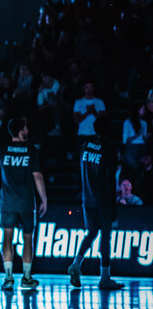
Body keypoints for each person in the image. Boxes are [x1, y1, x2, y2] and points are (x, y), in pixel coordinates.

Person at [0, 117, 47, 292]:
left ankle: (8, 278)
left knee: (7, 239)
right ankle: (26, 277)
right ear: (20, 130)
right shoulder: (31, 150)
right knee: (28, 239)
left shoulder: (1, 149)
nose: (27, 130)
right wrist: (44, 198)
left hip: (7, 202)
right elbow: (38, 176)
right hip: (27, 203)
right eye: (25, 128)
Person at [68, 115, 123, 290]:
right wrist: (113, 210)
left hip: (87, 197)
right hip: (102, 199)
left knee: (91, 232)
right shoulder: (109, 149)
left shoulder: (85, 146)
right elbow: (109, 181)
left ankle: (76, 263)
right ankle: (104, 278)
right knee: (105, 237)